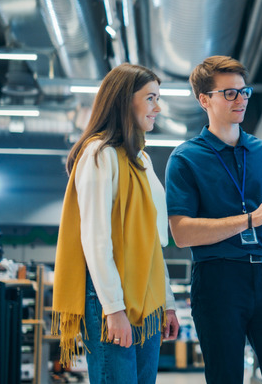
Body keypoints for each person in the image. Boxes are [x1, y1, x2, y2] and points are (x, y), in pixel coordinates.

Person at [165, 55, 262, 383]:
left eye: (244, 92)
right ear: (205, 100)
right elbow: (182, 233)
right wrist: (249, 220)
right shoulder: (186, 158)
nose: (240, 100)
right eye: (229, 93)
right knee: (225, 376)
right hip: (219, 280)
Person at [52, 63, 180, 383]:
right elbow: (95, 239)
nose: (158, 107)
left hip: (148, 300)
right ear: (125, 100)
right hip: (111, 298)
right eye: (150, 97)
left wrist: (168, 303)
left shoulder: (142, 160)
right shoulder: (99, 154)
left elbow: (153, 240)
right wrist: (113, 309)